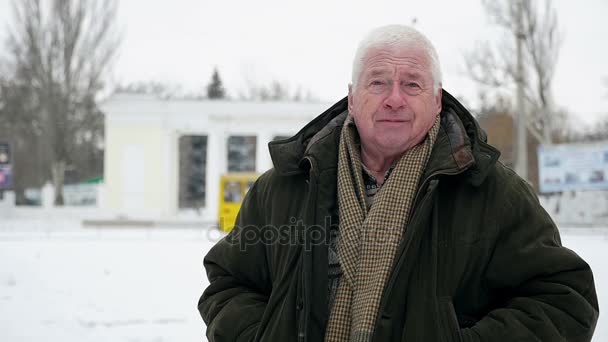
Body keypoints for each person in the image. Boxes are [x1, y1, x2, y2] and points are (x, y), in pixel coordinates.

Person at [198, 25, 599, 342]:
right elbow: (229, 284)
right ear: (352, 98)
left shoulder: (491, 192)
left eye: (411, 84)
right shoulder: (283, 187)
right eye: (377, 83)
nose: (394, 99)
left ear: (437, 99)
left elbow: (564, 300)